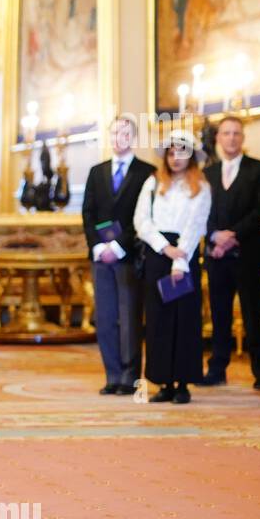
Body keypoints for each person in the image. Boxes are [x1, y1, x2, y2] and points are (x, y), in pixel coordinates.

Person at [81, 115, 156, 396]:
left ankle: (129, 376)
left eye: (124, 133)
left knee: (129, 318)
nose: (118, 138)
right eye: (114, 133)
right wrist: (98, 247)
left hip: (129, 256)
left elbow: (145, 216)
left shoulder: (147, 172)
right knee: (105, 317)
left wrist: (119, 246)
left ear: (133, 137)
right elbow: (88, 213)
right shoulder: (96, 172)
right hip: (101, 258)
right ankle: (111, 374)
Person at [135, 130, 212, 404]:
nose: (176, 158)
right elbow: (141, 220)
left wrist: (180, 260)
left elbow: (196, 225)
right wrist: (163, 248)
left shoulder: (201, 187)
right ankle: (163, 382)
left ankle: (182, 383)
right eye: (171, 153)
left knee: (185, 321)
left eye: (181, 152)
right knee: (158, 321)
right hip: (158, 254)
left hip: (186, 254)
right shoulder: (153, 183)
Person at [200, 115, 260, 389]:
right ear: (218, 138)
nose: (231, 138)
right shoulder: (208, 173)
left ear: (243, 138)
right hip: (217, 256)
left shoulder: (259, 169)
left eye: (236, 133)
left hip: (248, 254)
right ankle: (217, 369)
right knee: (219, 315)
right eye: (226, 133)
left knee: (254, 315)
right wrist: (215, 237)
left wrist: (232, 236)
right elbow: (201, 212)